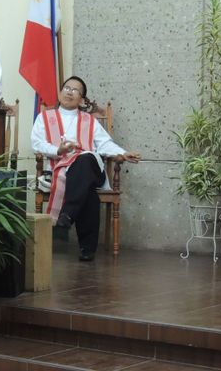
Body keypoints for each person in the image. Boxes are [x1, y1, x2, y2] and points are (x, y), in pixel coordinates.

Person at [31, 76, 141, 261]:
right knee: (87, 190)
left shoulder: (89, 121)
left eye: (75, 90)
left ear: (81, 99)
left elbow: (105, 144)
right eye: (67, 88)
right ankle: (87, 248)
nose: (69, 92)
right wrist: (58, 150)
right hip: (60, 171)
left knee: (84, 158)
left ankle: (67, 214)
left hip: (91, 168)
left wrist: (122, 153)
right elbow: (36, 143)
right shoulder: (45, 118)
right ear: (60, 92)